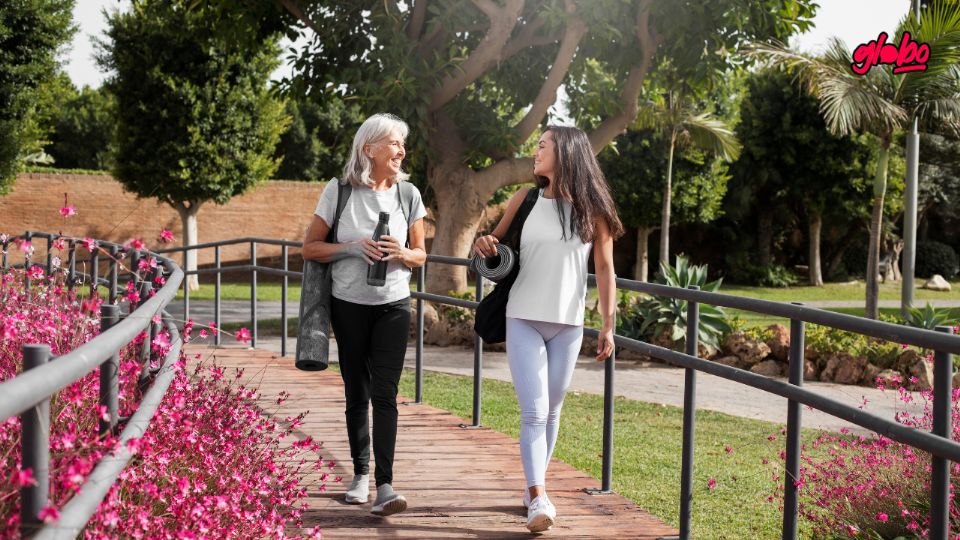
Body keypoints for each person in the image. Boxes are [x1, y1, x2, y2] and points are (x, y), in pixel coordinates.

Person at [473, 125, 623, 532]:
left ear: (567, 154)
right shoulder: (524, 199)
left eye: (542, 146)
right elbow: (492, 244)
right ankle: (538, 495)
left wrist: (607, 325)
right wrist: (485, 244)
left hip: (569, 324)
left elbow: (606, 271)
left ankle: (534, 490)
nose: (535, 152)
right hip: (522, 315)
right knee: (534, 410)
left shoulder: (593, 210)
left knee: (553, 409)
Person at [302, 113, 427, 516]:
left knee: (385, 394)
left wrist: (403, 253)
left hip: (393, 305)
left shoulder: (408, 195)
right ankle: (359, 474)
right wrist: (352, 247)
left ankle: (385, 485)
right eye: (394, 142)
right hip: (348, 305)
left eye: (402, 143)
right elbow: (310, 248)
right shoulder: (338, 192)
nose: (401, 150)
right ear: (369, 148)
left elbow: (421, 255)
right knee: (356, 390)